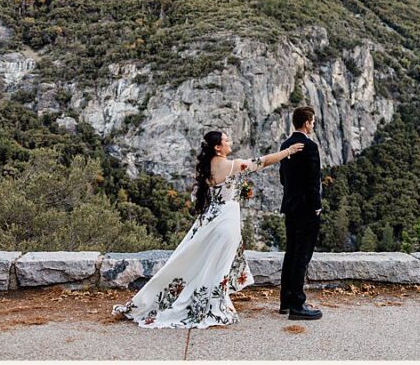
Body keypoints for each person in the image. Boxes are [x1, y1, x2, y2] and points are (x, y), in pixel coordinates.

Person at [113, 131, 302, 328]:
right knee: (219, 266)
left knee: (199, 261)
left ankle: (192, 299)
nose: (230, 142)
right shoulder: (233, 166)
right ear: (217, 148)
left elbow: (196, 197)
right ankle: (213, 306)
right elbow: (262, 161)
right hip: (227, 220)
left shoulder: (205, 170)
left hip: (209, 220)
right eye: (226, 140)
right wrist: (287, 151)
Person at [279, 106, 324, 320]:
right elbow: (314, 180)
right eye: (312, 121)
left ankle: (285, 301)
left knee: (291, 252)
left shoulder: (285, 146)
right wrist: (316, 206)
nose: (313, 125)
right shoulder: (310, 146)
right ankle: (298, 304)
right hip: (306, 208)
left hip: (290, 206)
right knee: (302, 255)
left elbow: (282, 179)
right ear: (306, 123)